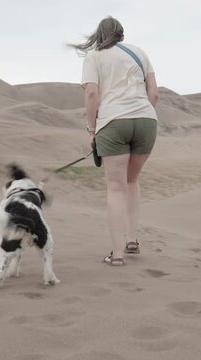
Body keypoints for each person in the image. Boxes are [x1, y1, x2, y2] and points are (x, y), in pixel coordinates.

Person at [69, 16, 158, 266]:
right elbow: (154, 94)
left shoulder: (95, 57)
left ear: (99, 36)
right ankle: (132, 240)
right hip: (146, 120)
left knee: (116, 187)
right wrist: (140, 113)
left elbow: (91, 92)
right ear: (122, 35)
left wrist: (91, 129)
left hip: (113, 122)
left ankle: (117, 254)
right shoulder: (140, 53)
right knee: (132, 180)